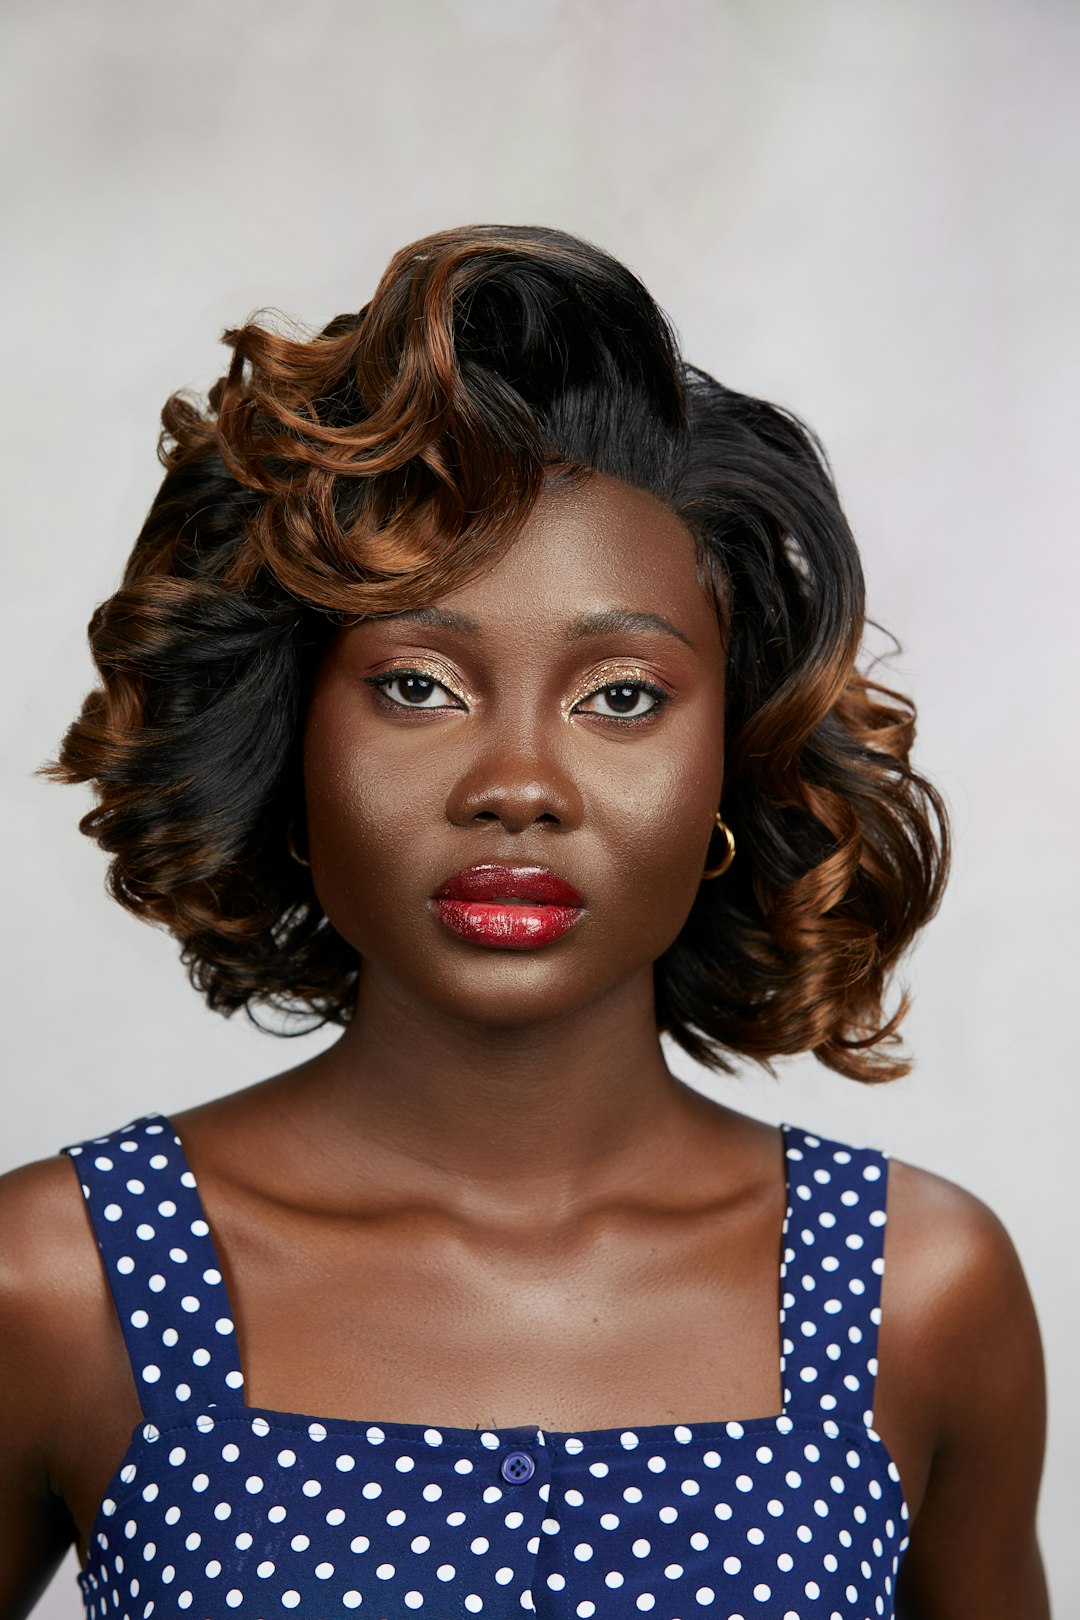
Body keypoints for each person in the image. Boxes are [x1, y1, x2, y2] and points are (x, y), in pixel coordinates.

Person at [0, 226, 1047, 1620]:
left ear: (727, 760)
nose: (517, 787)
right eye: (419, 684)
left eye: (621, 695)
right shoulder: (57, 1282)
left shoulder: (920, 1293)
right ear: (289, 745)